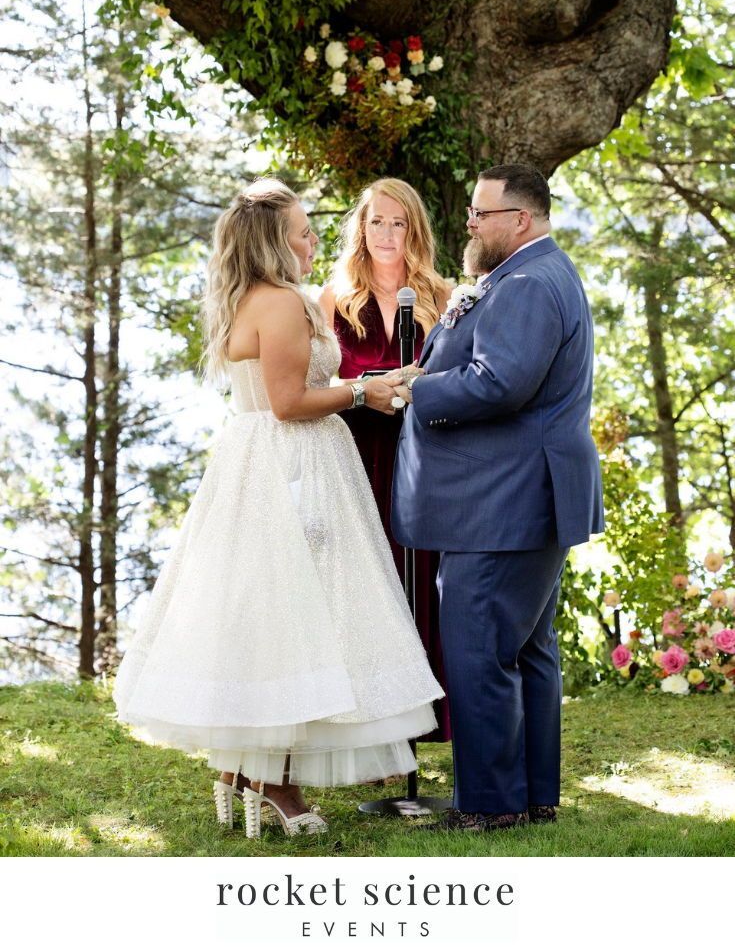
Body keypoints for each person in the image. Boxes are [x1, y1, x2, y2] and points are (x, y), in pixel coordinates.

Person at [113, 178, 443, 839]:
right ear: (273, 243)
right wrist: (363, 392)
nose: (313, 240)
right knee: (296, 615)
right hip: (293, 466)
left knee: (269, 616)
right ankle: (271, 779)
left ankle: (246, 768)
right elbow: (290, 402)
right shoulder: (285, 303)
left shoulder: (247, 299)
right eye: (301, 232)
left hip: (256, 462)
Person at [392, 164, 604, 832]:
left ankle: (489, 806)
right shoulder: (530, 274)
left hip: (501, 499)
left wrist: (413, 389)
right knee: (526, 650)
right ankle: (532, 794)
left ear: (521, 219)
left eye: (483, 213)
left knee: (481, 649)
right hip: (522, 494)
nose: (471, 223)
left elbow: (497, 383)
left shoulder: (528, 284)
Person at [319, 179, 451, 741]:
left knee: (422, 577)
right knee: (366, 581)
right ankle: (369, 728)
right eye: (377, 222)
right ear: (361, 227)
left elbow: (456, 374)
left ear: (414, 230)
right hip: (355, 453)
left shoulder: (441, 296)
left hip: (421, 454)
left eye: (399, 223)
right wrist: (363, 386)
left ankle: (423, 724)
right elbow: (317, 378)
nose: (387, 234)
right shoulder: (334, 296)